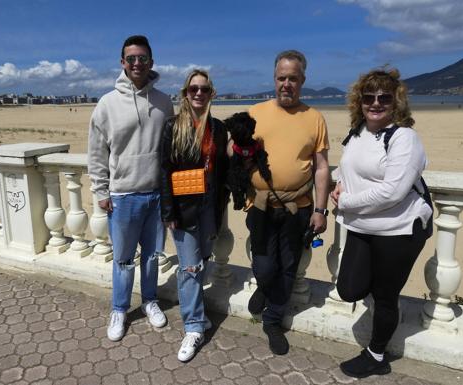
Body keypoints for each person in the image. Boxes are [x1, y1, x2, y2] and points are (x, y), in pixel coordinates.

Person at [330, 68, 432, 378]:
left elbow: (393, 191)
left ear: (396, 102)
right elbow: (349, 169)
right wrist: (337, 182)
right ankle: (382, 293)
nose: (375, 103)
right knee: (349, 288)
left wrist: (345, 202)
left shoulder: (404, 137)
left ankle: (376, 355)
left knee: (386, 295)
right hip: (363, 225)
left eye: (384, 97)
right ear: (358, 101)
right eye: (368, 97)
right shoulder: (358, 131)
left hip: (398, 229)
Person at [88, 35, 174, 342]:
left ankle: (150, 301)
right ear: (123, 62)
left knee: (152, 257)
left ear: (152, 62)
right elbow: (97, 153)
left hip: (156, 195)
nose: (137, 63)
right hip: (123, 196)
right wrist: (101, 191)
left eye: (143, 58)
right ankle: (120, 309)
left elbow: (171, 151)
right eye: (131, 58)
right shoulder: (107, 104)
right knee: (123, 260)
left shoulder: (164, 102)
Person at [246, 50, 330, 355]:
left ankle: (272, 321)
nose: (286, 84)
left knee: (289, 267)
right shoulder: (255, 112)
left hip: (299, 208)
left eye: (293, 78)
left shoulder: (314, 118)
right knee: (264, 265)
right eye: (282, 78)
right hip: (261, 207)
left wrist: (320, 210)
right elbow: (237, 151)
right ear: (274, 79)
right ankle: (264, 286)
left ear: (302, 80)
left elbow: (321, 167)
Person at [160, 69, 229, 362]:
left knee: (202, 262)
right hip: (184, 209)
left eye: (204, 89)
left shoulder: (218, 128)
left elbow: (225, 169)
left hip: (209, 208)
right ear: (185, 94)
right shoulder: (173, 126)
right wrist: (168, 210)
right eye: (193, 89)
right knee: (189, 268)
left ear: (211, 93)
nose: (198, 93)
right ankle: (193, 327)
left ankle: (197, 313)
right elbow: (163, 170)